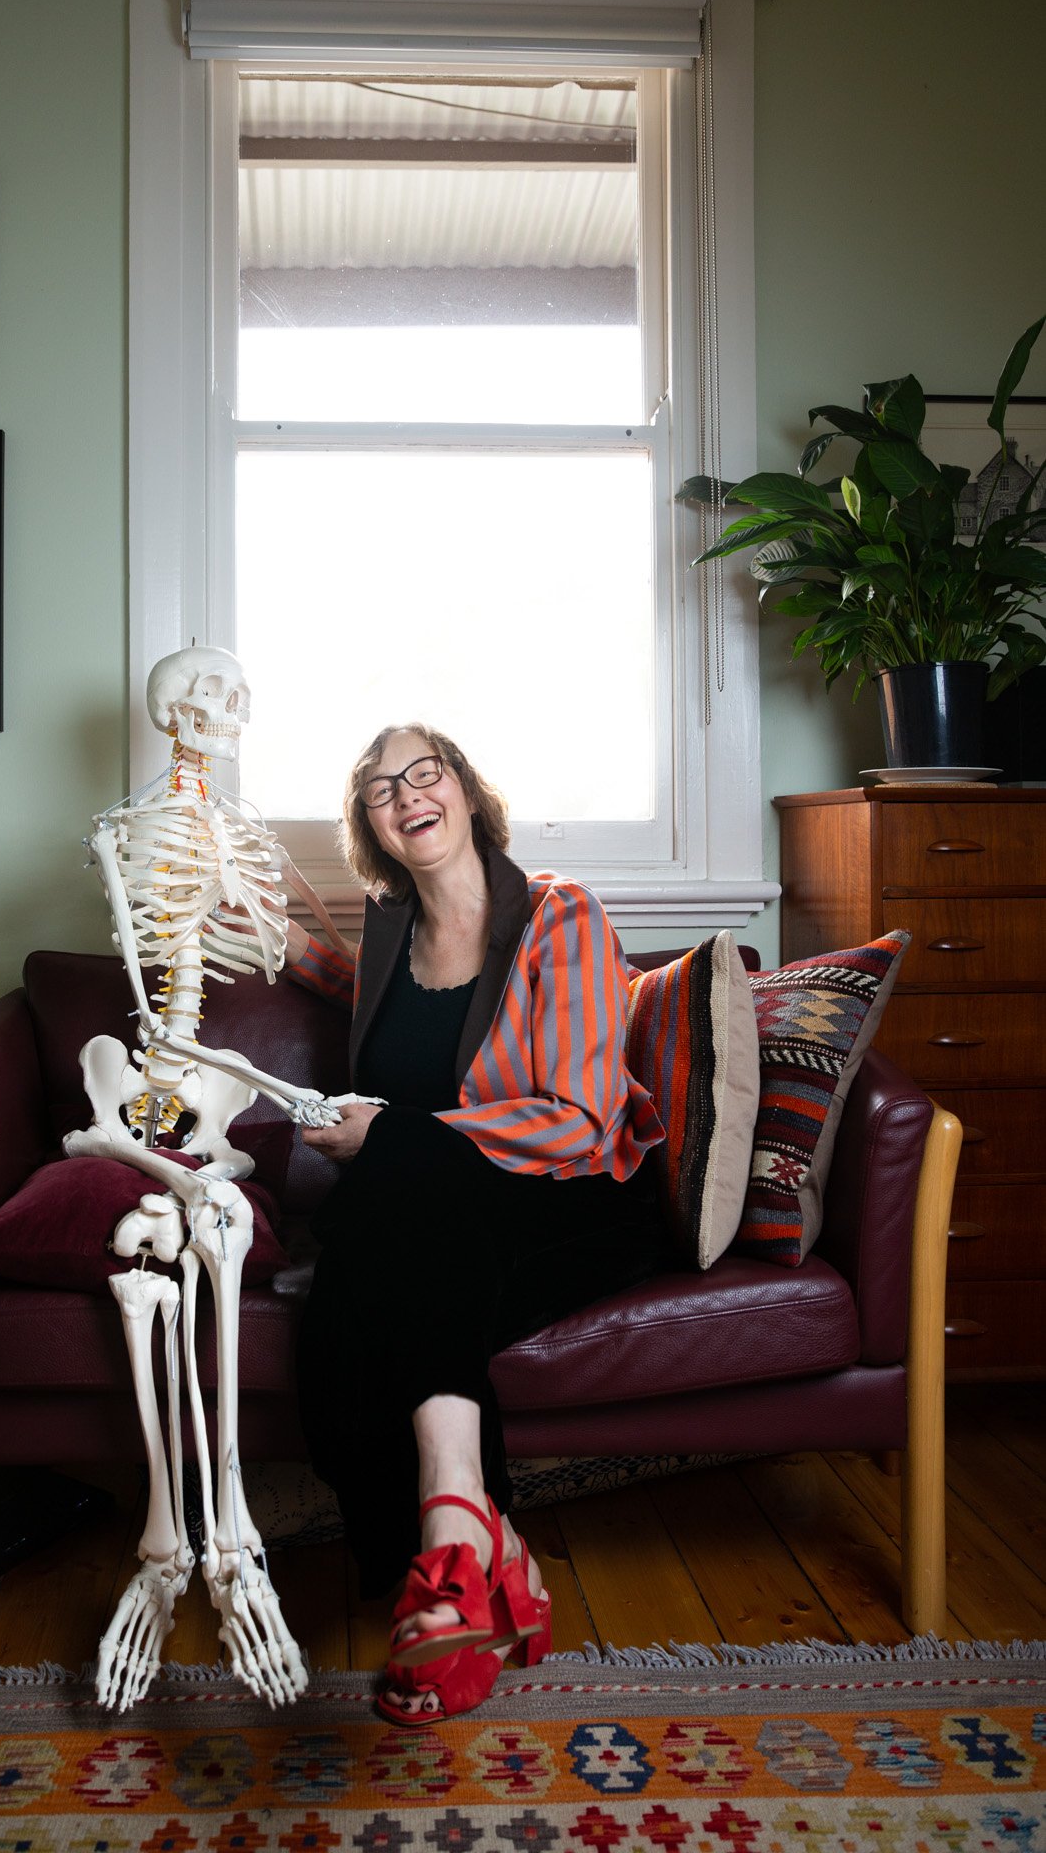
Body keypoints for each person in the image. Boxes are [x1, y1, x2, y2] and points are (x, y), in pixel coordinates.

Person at [281, 723, 668, 1725]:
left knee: (388, 1202)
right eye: (378, 789)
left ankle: (462, 1558)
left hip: (575, 1200)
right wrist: (285, 946)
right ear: (371, 827)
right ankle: (469, 1544)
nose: (405, 792)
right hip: (446, 1214)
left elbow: (581, 1120)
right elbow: (360, 997)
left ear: (463, 789)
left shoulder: (557, 915)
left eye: (423, 771)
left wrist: (395, 1131)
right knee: (352, 1305)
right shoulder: (388, 939)